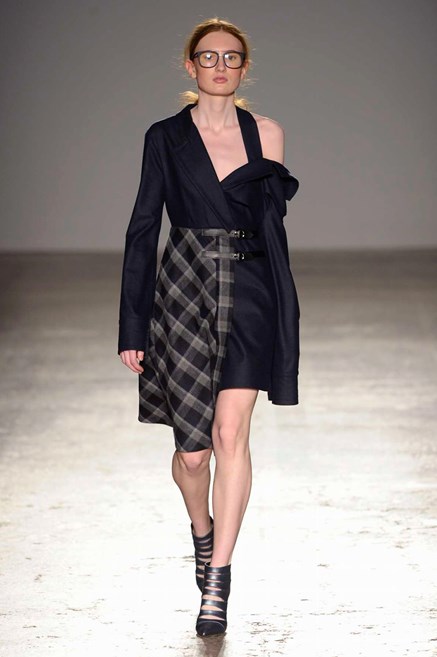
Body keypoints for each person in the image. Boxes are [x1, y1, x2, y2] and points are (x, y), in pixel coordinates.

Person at [117, 17, 300, 637]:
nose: (220, 66)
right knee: (193, 454)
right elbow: (144, 225)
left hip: (250, 289)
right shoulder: (165, 137)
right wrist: (133, 323)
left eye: (231, 57)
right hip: (184, 288)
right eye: (208, 56)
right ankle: (202, 532)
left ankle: (218, 579)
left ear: (244, 67)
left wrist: (283, 309)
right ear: (190, 65)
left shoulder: (266, 133)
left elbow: (272, 224)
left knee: (230, 434)